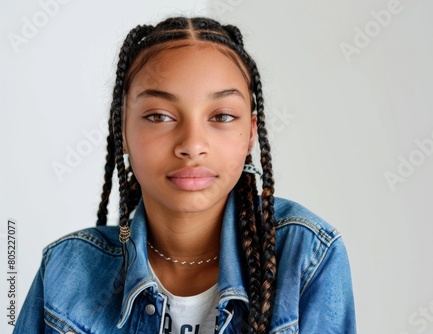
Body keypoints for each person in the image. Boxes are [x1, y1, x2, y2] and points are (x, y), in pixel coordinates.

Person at [14, 16, 356, 334]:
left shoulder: (307, 254)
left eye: (221, 116)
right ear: (123, 131)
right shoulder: (64, 270)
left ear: (251, 132)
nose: (192, 145)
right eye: (160, 116)